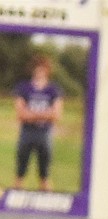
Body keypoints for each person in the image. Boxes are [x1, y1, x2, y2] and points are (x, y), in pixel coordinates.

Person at [13, 55, 64, 192]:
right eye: (37, 69)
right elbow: (21, 114)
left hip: (45, 134)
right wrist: (45, 114)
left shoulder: (53, 89)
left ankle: (47, 205)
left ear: (47, 70)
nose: (40, 72)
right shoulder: (23, 87)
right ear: (33, 70)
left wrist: (32, 114)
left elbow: (56, 115)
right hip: (27, 133)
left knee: (45, 174)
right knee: (20, 172)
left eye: (43, 69)